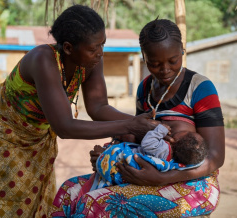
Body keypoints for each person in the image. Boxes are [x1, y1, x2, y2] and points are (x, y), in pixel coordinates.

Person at [0, 5, 159, 218]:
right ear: (68, 48)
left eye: (103, 44)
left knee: (35, 195)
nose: (100, 52)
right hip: (0, 129)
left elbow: (98, 107)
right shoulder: (43, 60)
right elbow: (64, 127)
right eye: (94, 48)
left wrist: (152, 124)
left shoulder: (91, 60)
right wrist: (131, 125)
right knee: (3, 198)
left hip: (37, 133)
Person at [49, 18, 225, 217]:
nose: (165, 69)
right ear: (144, 56)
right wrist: (109, 156)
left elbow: (216, 157)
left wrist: (161, 178)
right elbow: (137, 137)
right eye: (155, 63)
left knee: (98, 203)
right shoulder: (145, 89)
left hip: (193, 185)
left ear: (182, 51)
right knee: (69, 190)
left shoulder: (200, 88)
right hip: (149, 174)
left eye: (173, 60)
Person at [93, 121, 208, 189]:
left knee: (115, 154)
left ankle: (103, 155)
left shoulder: (163, 150)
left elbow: (147, 143)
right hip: (132, 167)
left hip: (125, 160)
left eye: (188, 133)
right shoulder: (173, 161)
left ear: (176, 140)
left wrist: (161, 130)